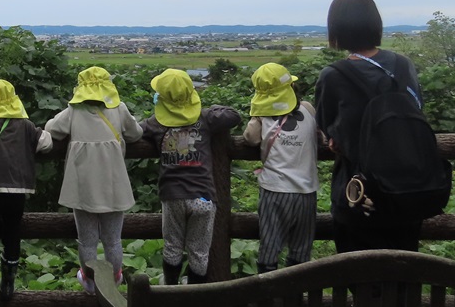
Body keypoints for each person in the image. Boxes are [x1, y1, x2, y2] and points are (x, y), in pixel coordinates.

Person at [315, 0, 425, 253]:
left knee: (359, 273)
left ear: (336, 29)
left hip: (357, 193)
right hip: (407, 190)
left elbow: (326, 128)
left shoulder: (333, 76)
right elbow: (418, 110)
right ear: (376, 24)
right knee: (403, 272)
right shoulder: (403, 65)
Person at [46, 66, 142, 295]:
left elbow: (52, 129)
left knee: (87, 241)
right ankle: (115, 280)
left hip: (82, 186)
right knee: (113, 240)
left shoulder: (73, 111)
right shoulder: (119, 108)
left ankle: (89, 282)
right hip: (113, 184)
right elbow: (136, 133)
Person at [140, 69, 240, 285]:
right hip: (203, 196)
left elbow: (135, 132)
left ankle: (170, 290)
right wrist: (211, 108)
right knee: (199, 251)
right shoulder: (205, 118)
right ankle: (194, 298)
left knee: (172, 246)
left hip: (173, 195)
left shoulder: (156, 123)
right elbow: (234, 115)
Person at [0, 79, 53, 301]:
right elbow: (45, 143)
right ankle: (8, 284)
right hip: (17, 190)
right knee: (12, 234)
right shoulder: (24, 125)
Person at [242, 63, 320, 272]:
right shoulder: (308, 108)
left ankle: (268, 296)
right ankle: (295, 297)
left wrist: (257, 115)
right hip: (306, 191)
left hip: (274, 191)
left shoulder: (262, 117)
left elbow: (250, 138)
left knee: (270, 247)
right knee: (301, 251)